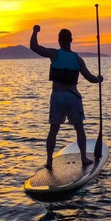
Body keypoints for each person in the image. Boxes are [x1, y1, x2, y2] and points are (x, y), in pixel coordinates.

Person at [30, 25, 103, 170]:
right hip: (72, 97)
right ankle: (83, 158)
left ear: (59, 41)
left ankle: (49, 161)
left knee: (53, 130)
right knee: (79, 128)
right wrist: (98, 79)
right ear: (71, 40)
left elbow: (34, 46)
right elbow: (90, 78)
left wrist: (35, 32)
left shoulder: (54, 54)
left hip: (57, 96)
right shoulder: (78, 59)